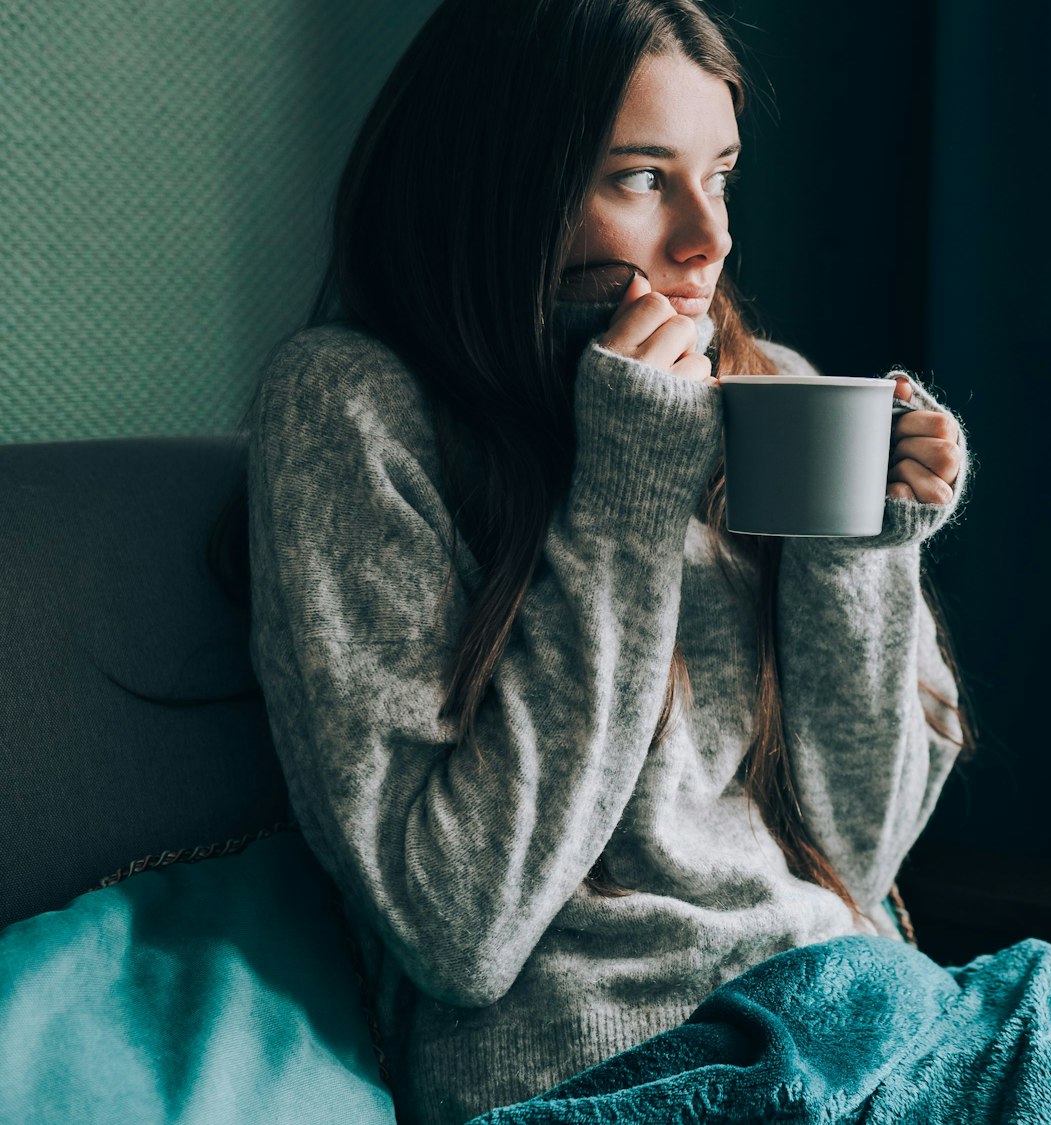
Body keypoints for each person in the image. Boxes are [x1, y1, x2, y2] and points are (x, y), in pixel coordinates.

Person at [235, 1, 973, 1122]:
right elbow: (456, 928)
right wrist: (626, 484)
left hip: (875, 1019)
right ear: (503, 188)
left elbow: (855, 863)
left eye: (718, 175)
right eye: (641, 179)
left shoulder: (764, 383)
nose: (707, 240)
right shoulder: (355, 408)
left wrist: (860, 554)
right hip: (635, 1072)